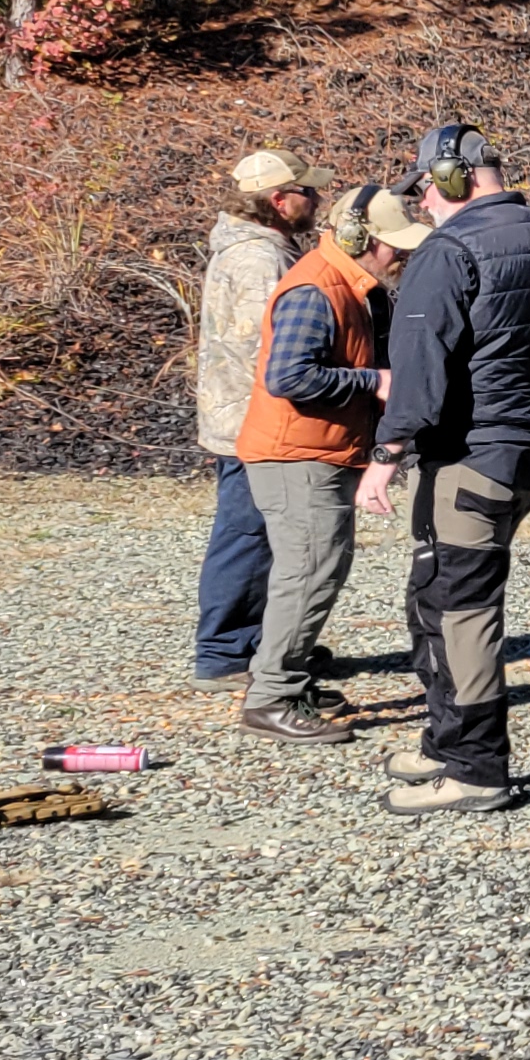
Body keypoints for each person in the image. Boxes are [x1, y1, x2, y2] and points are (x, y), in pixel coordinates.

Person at [361, 126, 530, 815]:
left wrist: (386, 453)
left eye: (426, 192)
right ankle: (445, 742)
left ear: (452, 178)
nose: (423, 207)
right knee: (438, 589)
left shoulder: (450, 249)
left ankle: (474, 767)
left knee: (456, 606)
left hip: (470, 456)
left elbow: (418, 363)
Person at [231, 185, 432, 743]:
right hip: (296, 453)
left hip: (318, 449)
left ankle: (285, 680)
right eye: (392, 245)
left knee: (318, 569)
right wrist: (376, 381)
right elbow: (289, 378)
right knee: (310, 573)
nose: (400, 255)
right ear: (357, 239)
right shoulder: (315, 290)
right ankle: (271, 697)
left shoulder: (352, 286)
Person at [193, 147, 327, 686]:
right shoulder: (260, 260)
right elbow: (270, 352)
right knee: (246, 535)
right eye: (307, 192)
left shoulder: (258, 249)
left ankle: (254, 643)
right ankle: (225, 651)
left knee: (261, 534)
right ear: (278, 201)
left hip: (245, 415)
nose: (315, 199)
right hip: (254, 422)